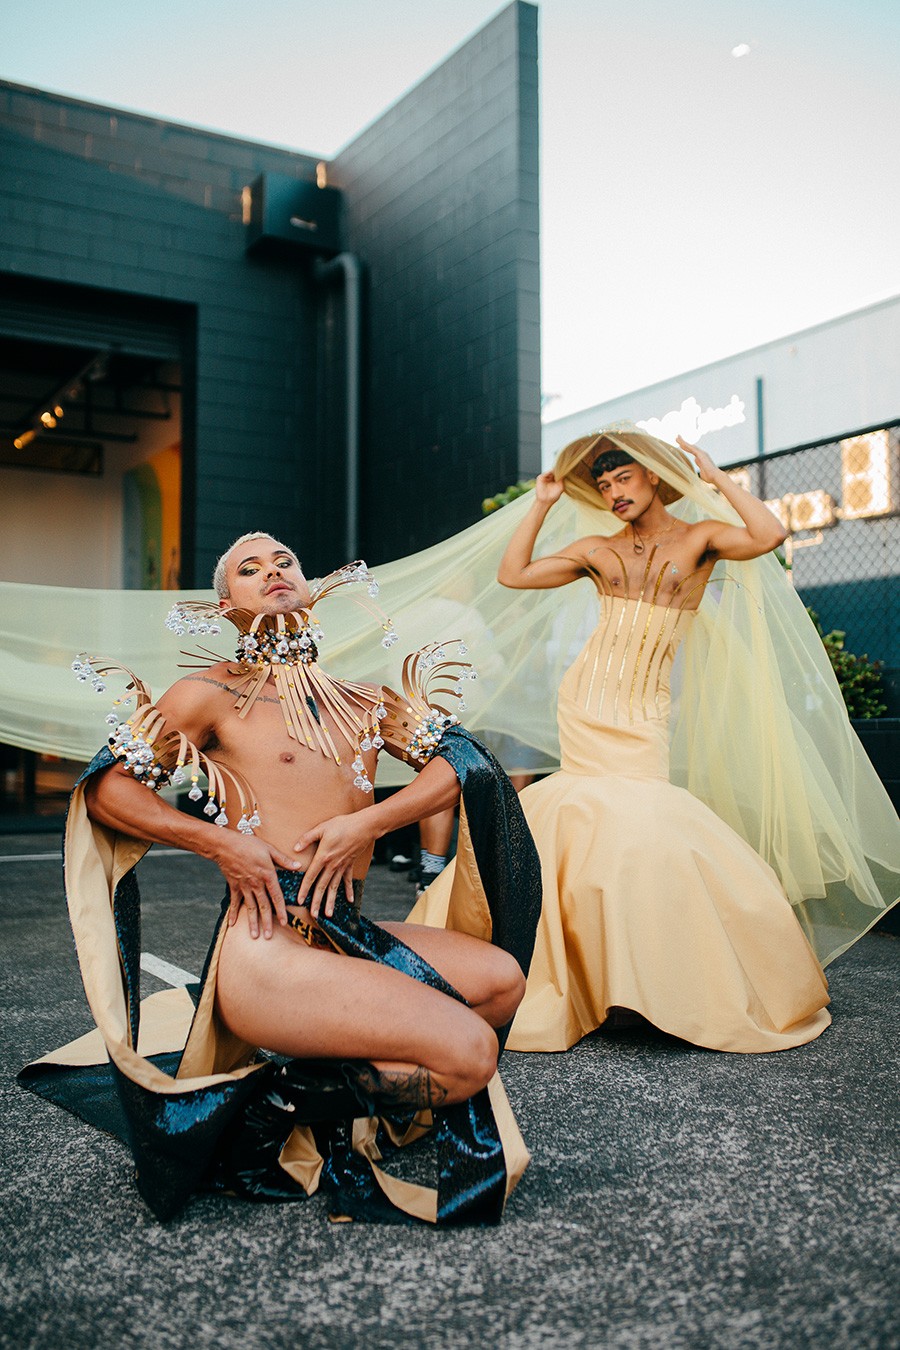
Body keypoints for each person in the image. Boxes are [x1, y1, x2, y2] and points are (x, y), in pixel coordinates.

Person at [23, 534, 541, 1224]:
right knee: (469, 1054)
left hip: (346, 935)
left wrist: (372, 823)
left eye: (284, 562)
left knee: (504, 983)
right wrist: (217, 844)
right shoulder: (207, 694)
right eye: (250, 568)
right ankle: (262, 1112)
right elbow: (109, 792)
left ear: (310, 585)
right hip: (265, 948)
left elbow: (463, 767)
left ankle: (318, 1087)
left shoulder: (363, 700)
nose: (272, 571)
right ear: (225, 605)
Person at [411, 428, 836, 1053]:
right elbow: (514, 575)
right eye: (604, 484)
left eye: (624, 479)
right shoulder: (596, 549)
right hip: (586, 697)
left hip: (643, 708)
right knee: (585, 820)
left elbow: (769, 537)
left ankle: (651, 979)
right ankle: (584, 979)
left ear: (655, 478)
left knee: (642, 826)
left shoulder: (699, 538)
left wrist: (714, 477)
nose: (613, 491)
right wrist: (543, 502)